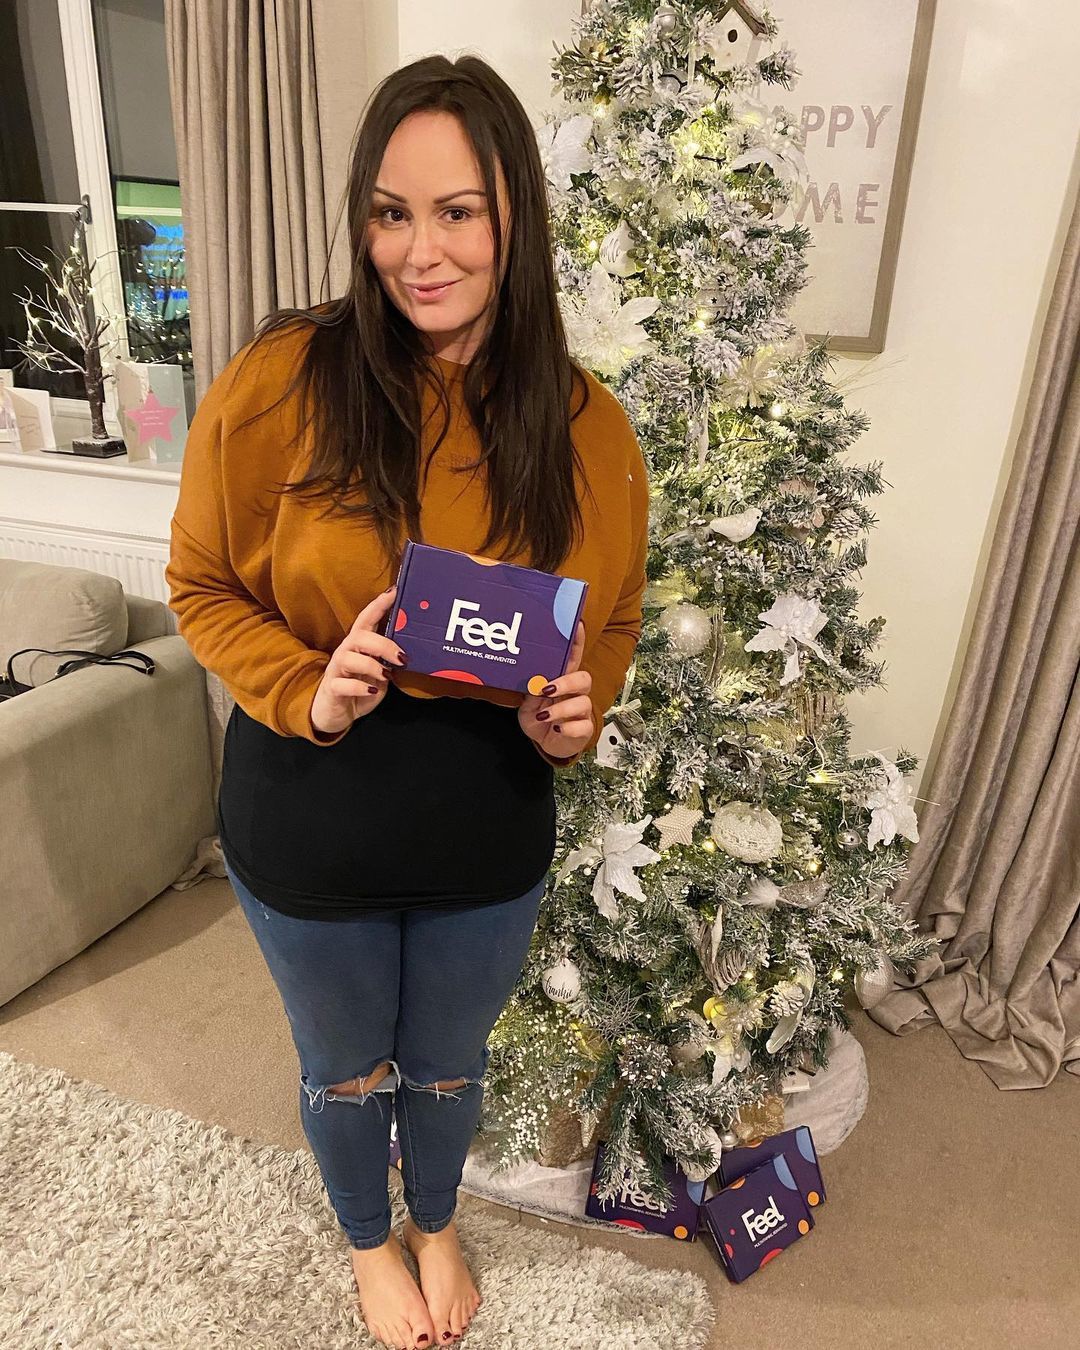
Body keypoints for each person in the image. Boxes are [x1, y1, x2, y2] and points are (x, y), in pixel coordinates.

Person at [166, 53, 649, 1350]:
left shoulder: (588, 426)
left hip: (486, 818)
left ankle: (434, 1218)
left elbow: (610, 625)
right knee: (345, 1069)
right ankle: (368, 1244)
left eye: (458, 212)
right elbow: (202, 584)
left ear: (515, 217)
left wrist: (579, 711)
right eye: (391, 212)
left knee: (446, 1067)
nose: (419, 253)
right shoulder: (282, 380)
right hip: (309, 801)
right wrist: (304, 685)